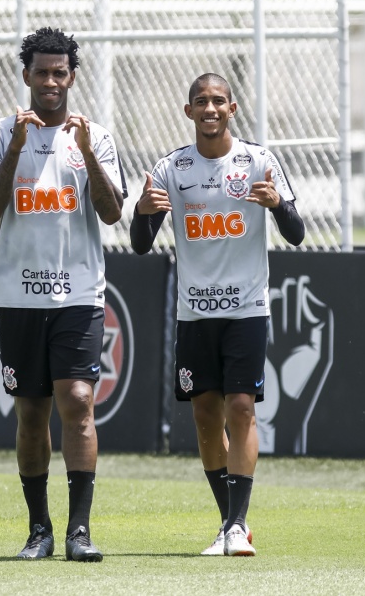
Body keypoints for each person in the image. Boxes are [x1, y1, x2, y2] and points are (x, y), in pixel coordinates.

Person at [130, 73, 305, 557]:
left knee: (241, 408)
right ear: (188, 111)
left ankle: (236, 523)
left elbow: (297, 232)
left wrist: (276, 207)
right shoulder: (172, 168)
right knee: (206, 416)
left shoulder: (258, 161)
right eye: (200, 102)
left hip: (247, 310)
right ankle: (228, 523)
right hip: (194, 315)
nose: (210, 109)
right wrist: (143, 213)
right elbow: (141, 246)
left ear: (232, 108)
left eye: (218, 102)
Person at [0, 27, 126, 561]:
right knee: (31, 414)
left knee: (78, 401)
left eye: (60, 72)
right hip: (16, 295)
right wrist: (17, 145)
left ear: (73, 77)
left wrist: (86, 152)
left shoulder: (96, 137)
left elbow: (111, 213)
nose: (52, 81)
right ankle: (39, 529)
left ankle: (78, 532)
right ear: (26, 77)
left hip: (78, 294)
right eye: (42, 72)